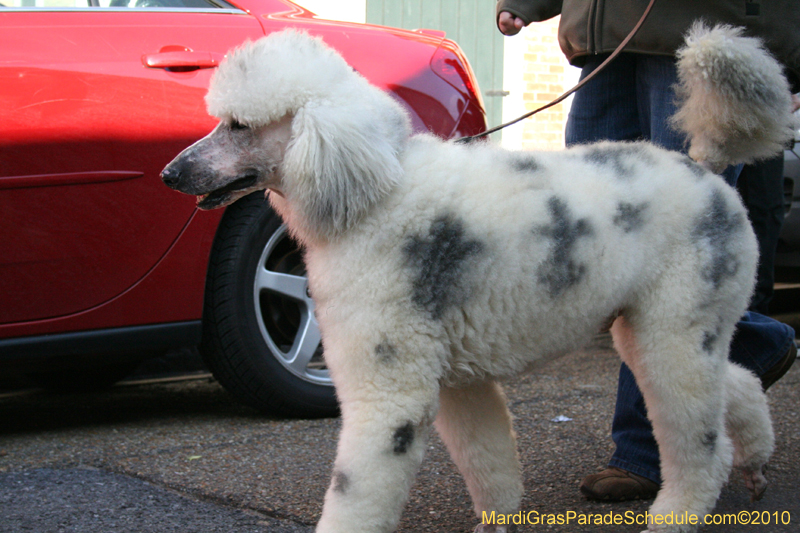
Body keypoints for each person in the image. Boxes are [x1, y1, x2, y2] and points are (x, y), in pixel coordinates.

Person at [496, 0, 800, 501]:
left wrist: (789, 57)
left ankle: (646, 453)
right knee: (604, 253)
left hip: (693, 36)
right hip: (603, 43)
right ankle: (754, 342)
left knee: (672, 272)